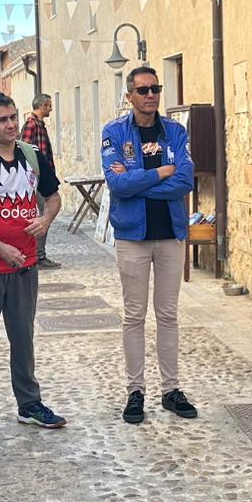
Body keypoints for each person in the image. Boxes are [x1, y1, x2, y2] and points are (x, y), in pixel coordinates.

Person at [0, 91, 67, 447]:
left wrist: (46, 219)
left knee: (24, 339)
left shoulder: (33, 156)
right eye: (2, 119)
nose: (10, 125)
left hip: (25, 266)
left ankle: (29, 404)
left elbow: (53, 196)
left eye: (13, 117)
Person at [102, 66, 196, 425]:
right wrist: (159, 173)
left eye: (155, 88)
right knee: (134, 315)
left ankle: (171, 389)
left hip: (170, 234)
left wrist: (139, 181)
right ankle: (135, 391)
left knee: (168, 315)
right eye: (142, 90)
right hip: (133, 236)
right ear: (130, 96)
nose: (151, 95)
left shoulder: (175, 131)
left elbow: (184, 181)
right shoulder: (115, 132)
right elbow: (117, 185)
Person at [22, 93, 62, 269]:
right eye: (49, 105)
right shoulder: (32, 124)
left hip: (41, 178)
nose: (51, 109)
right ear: (43, 106)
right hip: (36, 179)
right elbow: (24, 148)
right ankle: (38, 255)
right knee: (43, 213)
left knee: (43, 212)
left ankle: (38, 253)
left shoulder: (39, 125)